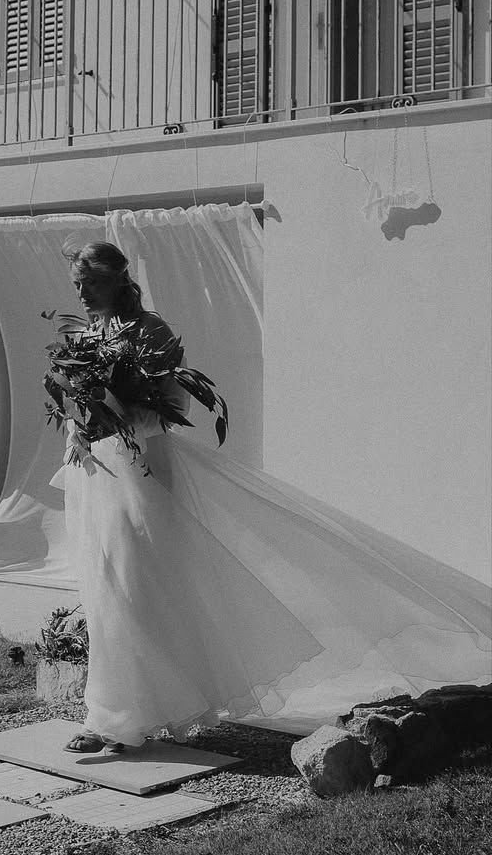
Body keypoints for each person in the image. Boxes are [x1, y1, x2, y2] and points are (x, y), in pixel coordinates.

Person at [55, 241, 490, 756]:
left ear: (118, 281)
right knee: (106, 593)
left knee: (138, 592)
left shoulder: (152, 332)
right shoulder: (85, 337)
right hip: (97, 476)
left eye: (91, 282)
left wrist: (116, 420)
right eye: (76, 283)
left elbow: (168, 410)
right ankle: (112, 715)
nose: (80, 292)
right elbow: (73, 404)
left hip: (143, 475)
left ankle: (121, 721)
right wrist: (78, 433)